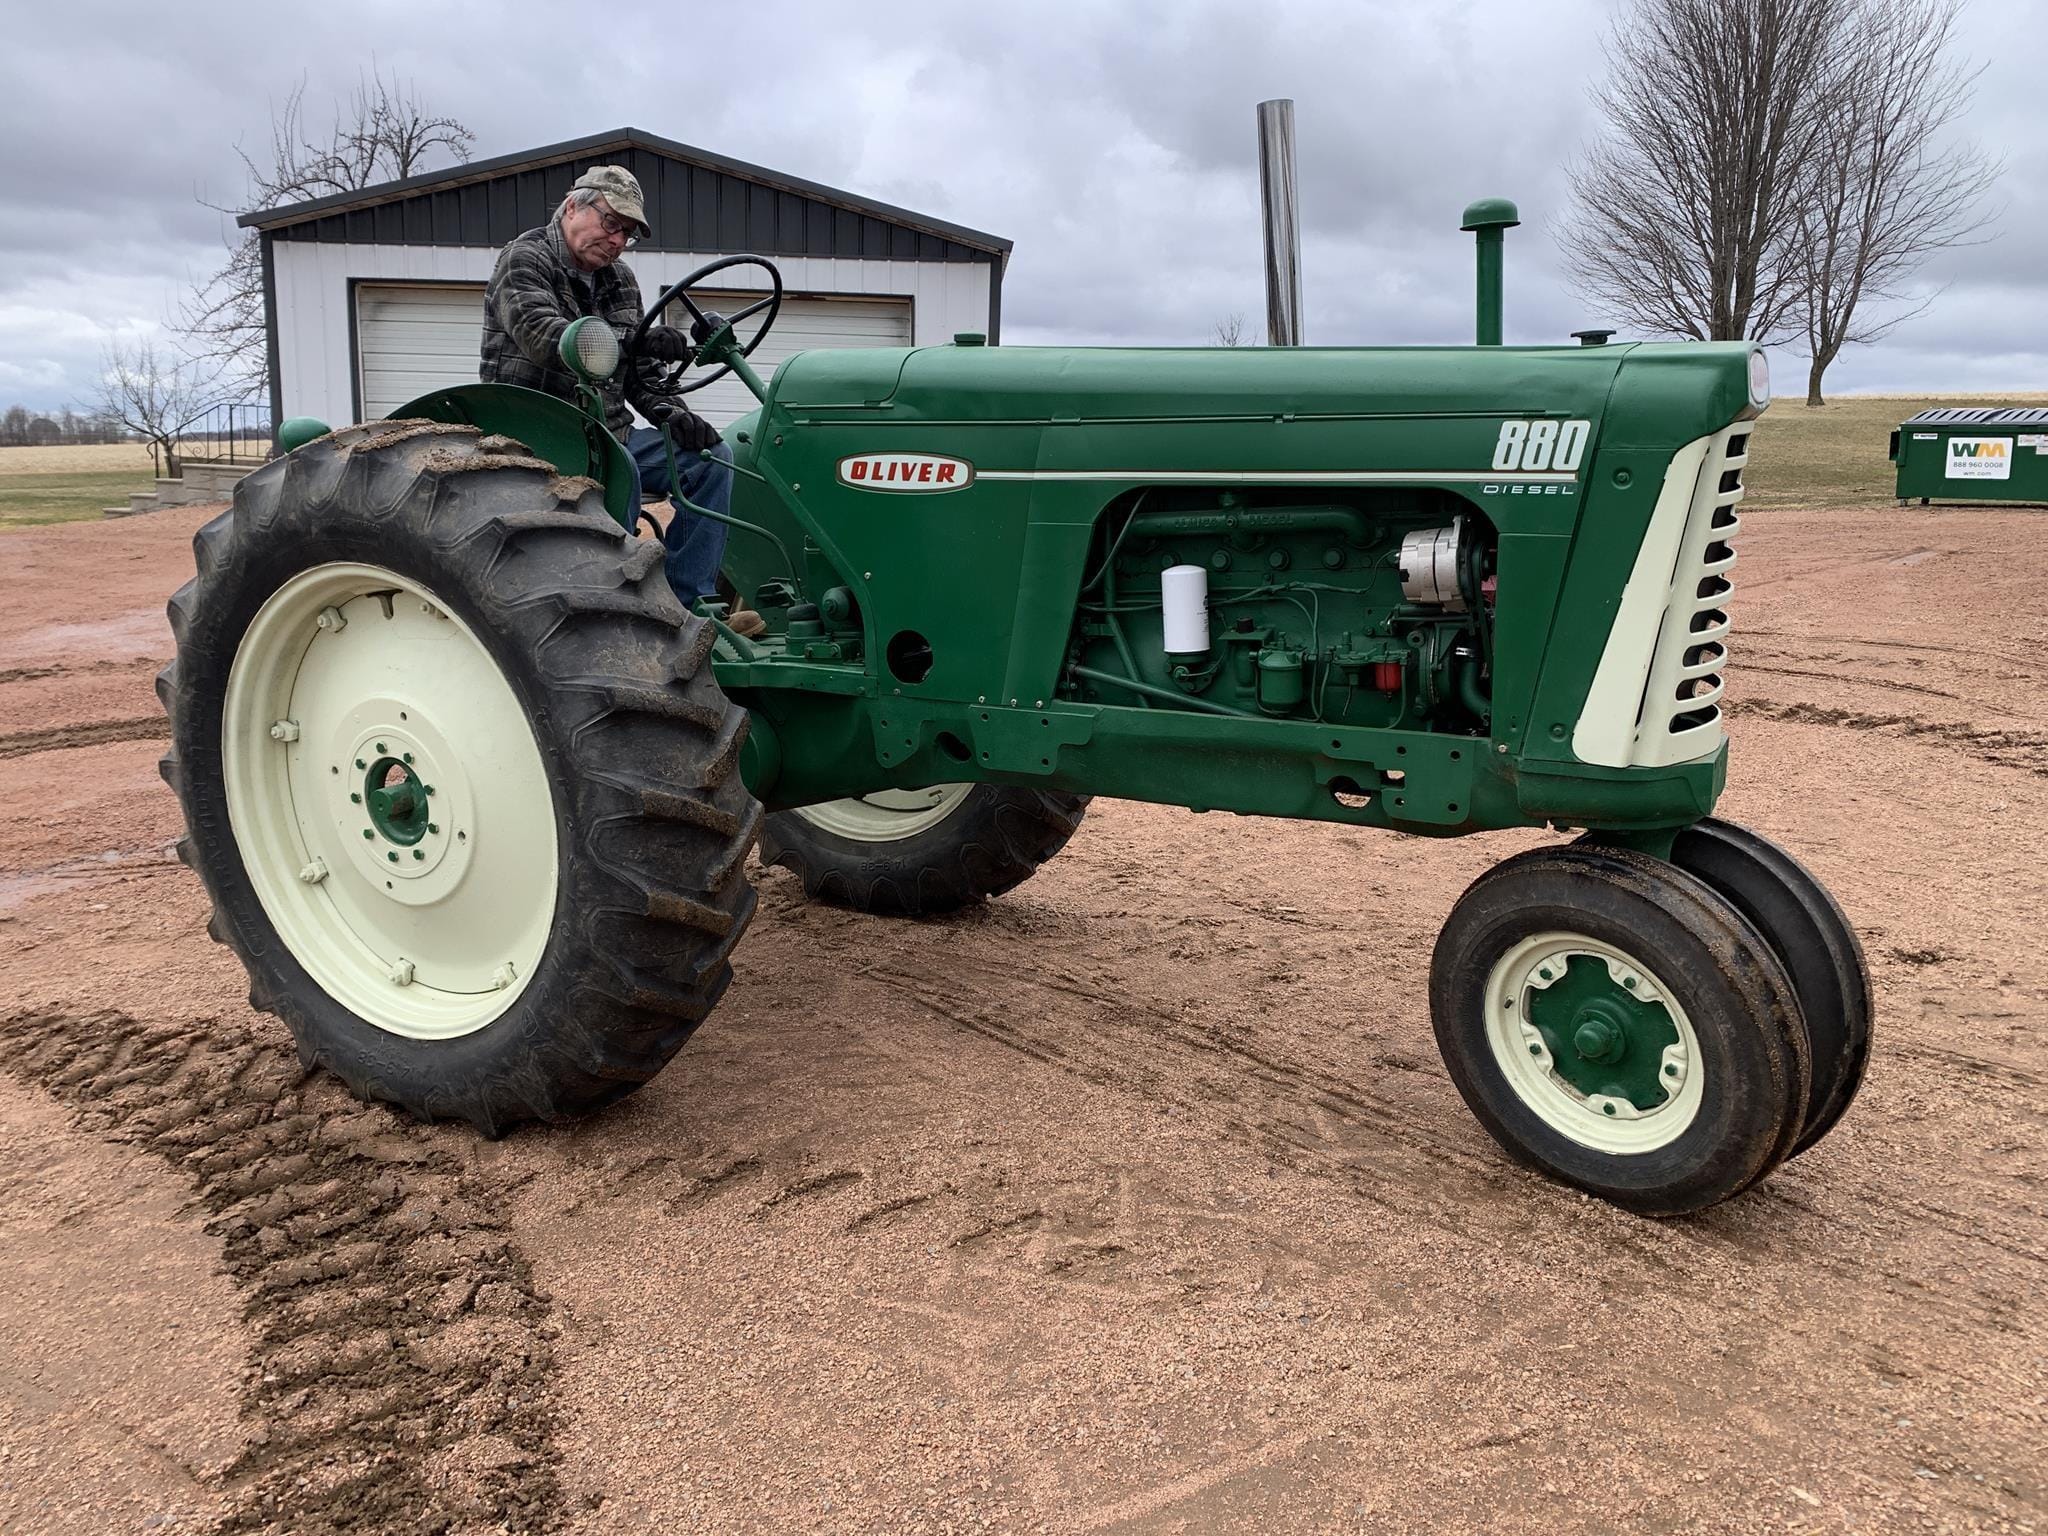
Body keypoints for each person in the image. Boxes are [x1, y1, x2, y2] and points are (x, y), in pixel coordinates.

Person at [480, 165, 763, 635]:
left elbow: (641, 377)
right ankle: (615, 612)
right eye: (611, 223)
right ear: (574, 206)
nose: (616, 241)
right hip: (535, 433)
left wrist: (673, 415)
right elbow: (543, 337)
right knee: (621, 469)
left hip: (609, 431)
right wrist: (636, 341)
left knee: (713, 459)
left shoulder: (619, 280)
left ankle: (684, 607)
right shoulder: (524, 259)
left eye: (627, 233)